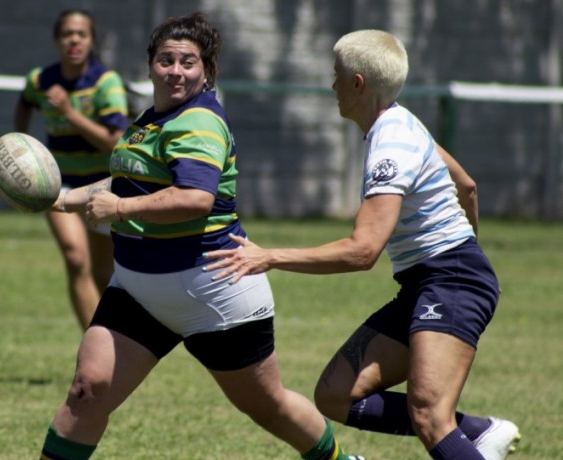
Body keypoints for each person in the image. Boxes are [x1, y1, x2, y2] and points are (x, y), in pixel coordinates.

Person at [38, 13, 361, 460]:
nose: (176, 70)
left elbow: (194, 198)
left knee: (269, 407)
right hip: (137, 290)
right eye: (166, 59)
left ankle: (340, 459)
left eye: (188, 62)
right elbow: (129, 181)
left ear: (206, 71)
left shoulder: (199, 123)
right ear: (150, 64)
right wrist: (61, 199)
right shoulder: (151, 119)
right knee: (87, 390)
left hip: (213, 293)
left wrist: (122, 210)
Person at [203, 29, 520, 460]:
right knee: (335, 395)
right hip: (433, 281)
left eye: (337, 75)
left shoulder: (391, 144)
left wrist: (270, 256)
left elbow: (363, 250)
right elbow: (467, 187)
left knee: (429, 415)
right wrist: (472, 259)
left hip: (450, 280)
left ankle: (462, 436)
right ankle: (477, 433)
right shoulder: (404, 122)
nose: (332, 85)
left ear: (357, 84)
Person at [14, 9, 129, 330]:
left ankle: (112, 345)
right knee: (76, 259)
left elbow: (115, 140)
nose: (74, 40)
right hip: (58, 184)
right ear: (57, 40)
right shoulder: (40, 80)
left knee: (104, 274)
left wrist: (69, 113)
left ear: (91, 41)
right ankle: (95, 344)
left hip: (103, 187)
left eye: (81, 34)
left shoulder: (106, 83)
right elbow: (24, 102)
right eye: (67, 34)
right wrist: (21, 145)